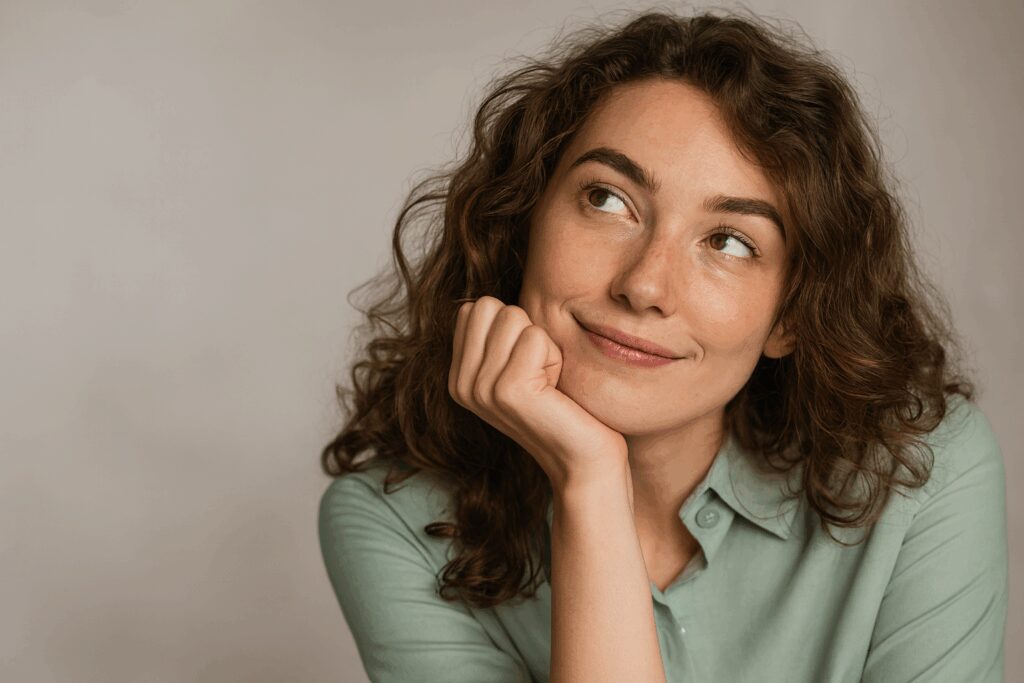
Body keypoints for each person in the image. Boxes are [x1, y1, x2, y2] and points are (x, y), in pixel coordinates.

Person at [317, 8, 1008, 683]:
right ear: (521, 219)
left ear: (790, 316)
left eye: (729, 242)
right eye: (608, 201)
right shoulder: (393, 520)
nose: (645, 285)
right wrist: (590, 482)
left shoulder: (922, 472)